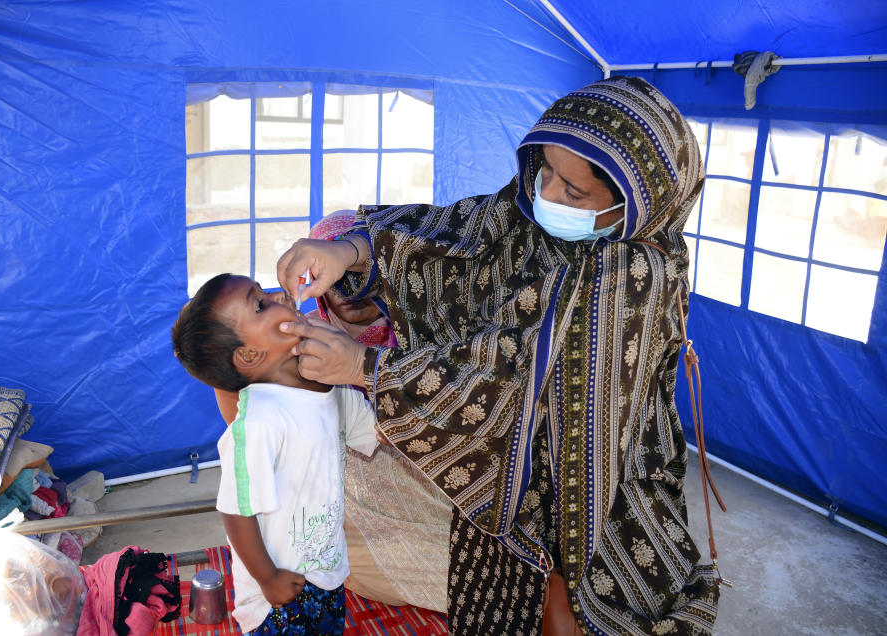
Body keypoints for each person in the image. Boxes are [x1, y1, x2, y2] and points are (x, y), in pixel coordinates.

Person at [276, 76, 721, 635]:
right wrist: (345, 249)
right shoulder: (528, 212)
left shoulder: (634, 277)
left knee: (579, 590)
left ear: (635, 200)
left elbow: (513, 377)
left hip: (605, 472)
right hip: (524, 446)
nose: (548, 196)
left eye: (574, 193)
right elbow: (453, 238)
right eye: (546, 171)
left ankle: (563, 586)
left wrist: (367, 370)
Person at [214, 212, 452, 612]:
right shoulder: (297, 344)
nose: (348, 292)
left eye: (361, 276)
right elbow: (244, 430)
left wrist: (366, 369)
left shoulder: (430, 332)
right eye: (336, 279)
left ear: (389, 275)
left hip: (431, 486)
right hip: (342, 519)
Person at [171, 273, 379, 635]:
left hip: (326, 573)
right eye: (260, 303)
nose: (278, 294)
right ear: (249, 354)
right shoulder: (258, 422)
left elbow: (379, 432)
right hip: (277, 596)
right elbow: (236, 511)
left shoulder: (329, 390)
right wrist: (267, 577)